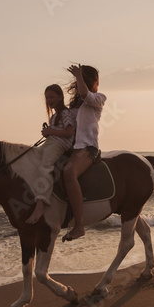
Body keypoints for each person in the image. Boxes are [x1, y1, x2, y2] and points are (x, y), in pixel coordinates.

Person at [62, 64, 106, 241]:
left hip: (87, 147)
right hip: (71, 147)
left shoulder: (98, 98)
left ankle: (79, 226)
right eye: (97, 81)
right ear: (94, 81)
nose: (98, 84)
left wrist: (78, 76)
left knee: (68, 173)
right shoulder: (74, 104)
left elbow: (84, 94)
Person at [26, 84, 75, 224]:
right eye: (47, 98)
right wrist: (49, 133)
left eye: (52, 97)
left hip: (60, 145)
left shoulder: (65, 113)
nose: (49, 100)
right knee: (33, 157)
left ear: (60, 97)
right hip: (53, 142)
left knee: (45, 165)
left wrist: (50, 132)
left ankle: (41, 203)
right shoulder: (54, 117)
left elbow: (69, 132)